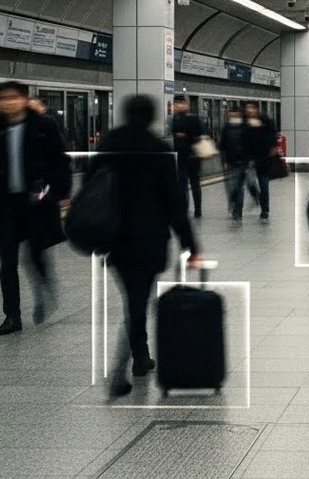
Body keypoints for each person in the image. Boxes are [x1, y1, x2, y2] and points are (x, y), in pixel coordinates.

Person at [91, 95, 201, 398]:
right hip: (150, 239)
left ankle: (142, 355)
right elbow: (175, 203)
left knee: (134, 299)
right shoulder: (159, 150)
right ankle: (119, 370)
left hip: (116, 239)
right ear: (152, 117)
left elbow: (91, 188)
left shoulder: (108, 145)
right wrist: (191, 245)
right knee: (138, 303)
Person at [0, 81, 70, 336]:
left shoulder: (44, 126)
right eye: (3, 98)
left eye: (13, 97)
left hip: (37, 202)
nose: (8, 102)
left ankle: (45, 291)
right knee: (7, 262)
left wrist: (59, 191)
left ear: (24, 99)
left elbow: (60, 160)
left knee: (35, 256)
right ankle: (12, 315)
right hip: (6, 204)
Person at [170, 98, 209, 217]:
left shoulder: (193, 118)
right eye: (175, 104)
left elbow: (202, 133)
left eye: (179, 104)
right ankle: (184, 208)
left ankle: (198, 209)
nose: (177, 106)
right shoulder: (174, 119)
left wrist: (186, 135)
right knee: (183, 185)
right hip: (181, 156)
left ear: (185, 105)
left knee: (194, 183)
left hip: (193, 156)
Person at [243, 102, 277, 220]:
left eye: (251, 108)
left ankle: (265, 210)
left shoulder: (265, 121)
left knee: (264, 184)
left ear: (256, 109)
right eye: (247, 108)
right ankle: (256, 196)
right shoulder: (245, 123)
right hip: (250, 159)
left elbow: (272, 136)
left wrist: (258, 128)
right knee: (249, 182)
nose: (249, 111)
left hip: (263, 158)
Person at [218, 107, 251, 221]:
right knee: (233, 186)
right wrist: (225, 161)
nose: (233, 117)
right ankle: (234, 208)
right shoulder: (226, 127)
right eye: (231, 114)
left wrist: (248, 160)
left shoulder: (245, 127)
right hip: (231, 161)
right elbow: (222, 145)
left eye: (235, 114)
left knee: (238, 186)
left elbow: (249, 145)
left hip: (242, 161)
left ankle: (237, 211)